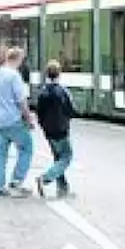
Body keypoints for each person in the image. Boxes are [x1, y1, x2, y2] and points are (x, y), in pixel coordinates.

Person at [0, 47, 35, 196]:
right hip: (13, 120)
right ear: (18, 59)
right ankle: (16, 182)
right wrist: (28, 118)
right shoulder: (14, 76)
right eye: (22, 59)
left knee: (0, 154)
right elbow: (21, 100)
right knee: (26, 148)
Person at [34, 60, 77, 198]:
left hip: (49, 132)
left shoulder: (43, 92)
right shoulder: (63, 91)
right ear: (59, 74)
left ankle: (63, 188)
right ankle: (45, 178)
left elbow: (39, 113)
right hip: (61, 130)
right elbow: (71, 111)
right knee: (66, 157)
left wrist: (44, 126)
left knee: (58, 158)